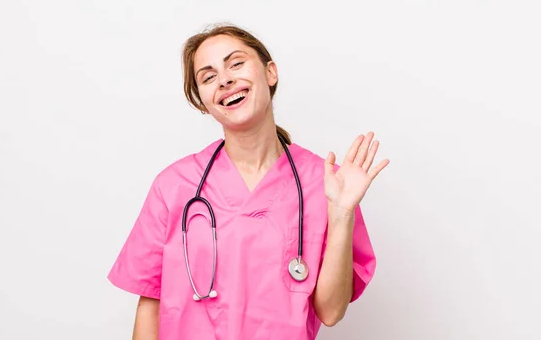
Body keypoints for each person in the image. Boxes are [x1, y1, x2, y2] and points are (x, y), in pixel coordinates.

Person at [107, 23, 390, 340]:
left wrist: (341, 215)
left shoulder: (326, 184)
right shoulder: (173, 186)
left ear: (271, 73)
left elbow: (331, 311)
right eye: (208, 76)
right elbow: (151, 302)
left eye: (236, 63)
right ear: (202, 101)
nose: (225, 80)